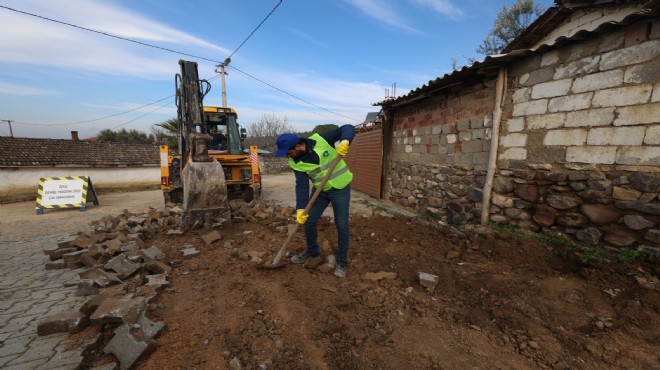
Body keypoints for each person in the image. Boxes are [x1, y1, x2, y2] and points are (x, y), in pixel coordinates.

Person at [274, 125, 355, 278]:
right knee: (309, 222)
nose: (287, 156)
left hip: (340, 188)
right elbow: (302, 185)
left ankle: (342, 261)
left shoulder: (321, 140)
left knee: (341, 223)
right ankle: (313, 253)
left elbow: (348, 127)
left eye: (289, 152)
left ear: (298, 146)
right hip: (320, 191)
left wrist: (345, 141)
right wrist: (300, 209)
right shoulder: (295, 163)